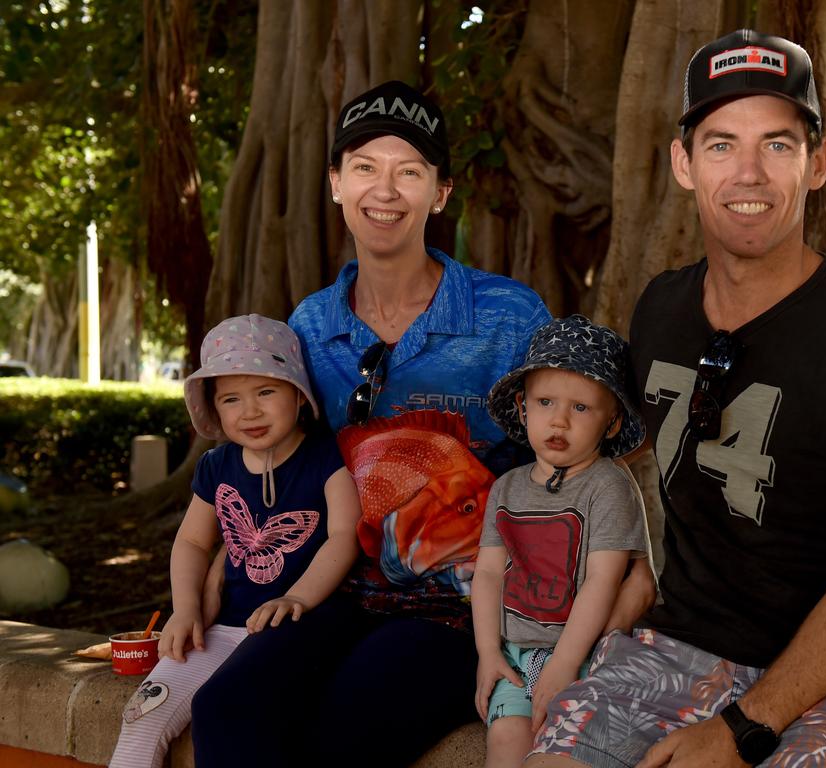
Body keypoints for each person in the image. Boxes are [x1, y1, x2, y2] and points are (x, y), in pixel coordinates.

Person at [190, 81, 658, 767]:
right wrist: (217, 567)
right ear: (335, 184)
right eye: (365, 168)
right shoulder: (310, 326)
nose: (386, 190)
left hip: (466, 602)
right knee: (226, 707)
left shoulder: (507, 315)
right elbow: (281, 463)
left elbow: (575, 446)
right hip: (333, 588)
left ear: (440, 193)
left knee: (350, 723)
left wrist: (630, 571)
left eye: (409, 171)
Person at [527, 29, 826, 768]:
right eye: (721, 144)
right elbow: (622, 451)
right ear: (682, 164)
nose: (748, 173)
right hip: (679, 646)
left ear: (818, 163)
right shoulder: (662, 308)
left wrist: (743, 728)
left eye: (778, 146)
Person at [110, 314, 360, 768]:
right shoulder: (217, 465)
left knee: (236, 709)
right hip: (221, 626)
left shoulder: (327, 456)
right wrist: (186, 608)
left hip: (300, 621)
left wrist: (298, 596)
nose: (250, 411)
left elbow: (344, 536)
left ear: (299, 396)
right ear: (215, 408)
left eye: (266, 392)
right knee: (142, 713)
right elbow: (190, 542)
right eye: (231, 399)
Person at [472, 315, 649, 768]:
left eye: (581, 408)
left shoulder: (606, 486)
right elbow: (489, 573)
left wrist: (566, 664)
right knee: (506, 745)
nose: (560, 420)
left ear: (611, 424)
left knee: (555, 749)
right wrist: (488, 653)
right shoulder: (506, 488)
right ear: (524, 406)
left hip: (583, 652)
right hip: (513, 650)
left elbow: (601, 581)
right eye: (546, 401)